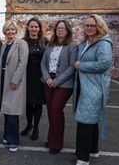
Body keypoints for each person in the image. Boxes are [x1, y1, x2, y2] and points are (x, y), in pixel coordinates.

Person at [73, 15, 113, 165]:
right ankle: (93, 150)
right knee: (90, 118)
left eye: (92, 25)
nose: (89, 28)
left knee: (85, 120)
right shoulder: (86, 42)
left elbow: (104, 64)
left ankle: (83, 158)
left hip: (95, 87)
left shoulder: (103, 43)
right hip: (84, 85)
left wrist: (81, 66)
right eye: (87, 25)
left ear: (99, 26)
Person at [41, 20, 78, 154]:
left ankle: (57, 144)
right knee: (51, 111)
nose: (60, 30)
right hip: (48, 81)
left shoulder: (73, 46)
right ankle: (52, 139)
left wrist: (56, 81)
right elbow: (43, 63)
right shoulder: (49, 46)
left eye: (63, 28)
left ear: (67, 31)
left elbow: (72, 67)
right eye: (58, 28)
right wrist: (47, 78)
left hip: (63, 83)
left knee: (56, 110)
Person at [0, 21, 29, 152]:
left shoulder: (21, 43)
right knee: (6, 109)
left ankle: (13, 141)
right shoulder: (5, 45)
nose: (10, 32)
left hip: (15, 80)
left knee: (13, 112)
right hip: (4, 79)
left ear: (15, 31)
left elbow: (23, 63)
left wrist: (15, 79)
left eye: (12, 30)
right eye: (7, 30)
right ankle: (6, 135)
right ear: (5, 31)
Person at [21, 18, 48, 141]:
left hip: (40, 77)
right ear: (28, 28)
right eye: (31, 26)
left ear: (39, 28)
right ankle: (28, 125)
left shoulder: (45, 41)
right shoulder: (22, 42)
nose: (34, 29)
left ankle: (36, 127)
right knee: (27, 104)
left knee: (37, 104)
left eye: (36, 27)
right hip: (26, 76)